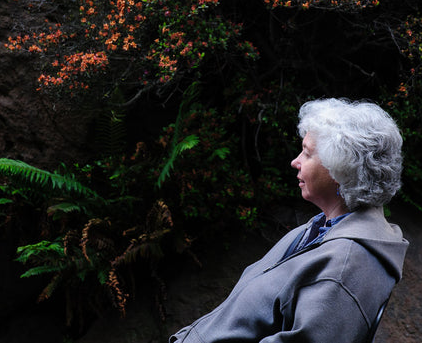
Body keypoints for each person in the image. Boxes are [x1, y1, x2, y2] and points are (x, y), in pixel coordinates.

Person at [169, 98, 409, 343]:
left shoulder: (346, 265)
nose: (295, 161)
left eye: (307, 153)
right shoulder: (320, 229)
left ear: (340, 170)